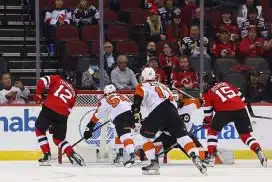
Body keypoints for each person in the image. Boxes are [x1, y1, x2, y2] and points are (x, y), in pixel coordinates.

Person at [131, 67, 207, 175]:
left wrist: (135, 111)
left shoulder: (142, 85)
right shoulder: (164, 86)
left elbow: (137, 99)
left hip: (158, 111)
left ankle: (154, 163)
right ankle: (195, 156)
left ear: (143, 77)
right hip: (172, 111)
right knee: (183, 137)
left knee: (144, 138)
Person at [201, 72, 267, 167]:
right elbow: (243, 98)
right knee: (246, 135)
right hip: (240, 109)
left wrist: (207, 123)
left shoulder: (208, 92)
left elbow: (208, 114)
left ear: (206, 82)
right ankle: (258, 151)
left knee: (212, 132)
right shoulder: (227, 84)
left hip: (223, 112)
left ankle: (211, 158)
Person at [33, 70, 85, 166]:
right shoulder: (74, 92)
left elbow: (42, 80)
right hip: (63, 115)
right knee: (58, 139)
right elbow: (69, 110)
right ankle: (72, 153)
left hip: (49, 108)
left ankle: (46, 155)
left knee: (39, 130)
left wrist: (38, 93)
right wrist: (59, 120)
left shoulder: (57, 78)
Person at [83, 84, 141, 167]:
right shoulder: (123, 96)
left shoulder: (105, 99)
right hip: (131, 115)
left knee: (125, 136)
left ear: (106, 93)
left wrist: (89, 128)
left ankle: (133, 156)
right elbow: (131, 106)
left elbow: (97, 115)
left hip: (120, 117)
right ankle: (119, 156)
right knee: (118, 134)